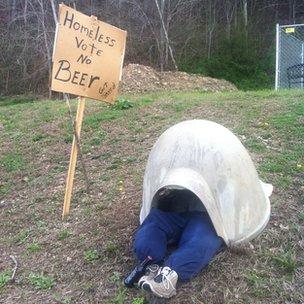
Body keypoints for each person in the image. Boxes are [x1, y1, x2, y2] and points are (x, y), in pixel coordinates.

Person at [132, 188, 224, 298]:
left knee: (201, 239)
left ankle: (168, 276)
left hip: (209, 212)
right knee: (151, 231)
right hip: (175, 205)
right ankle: (151, 263)